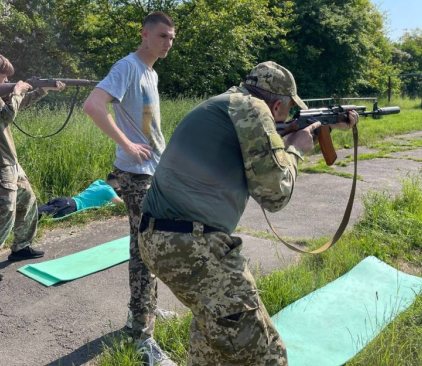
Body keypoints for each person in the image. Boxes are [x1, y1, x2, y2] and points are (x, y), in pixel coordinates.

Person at [138, 61, 359, 365]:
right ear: (278, 103)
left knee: (212, 348)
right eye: (285, 112)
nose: (286, 118)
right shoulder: (253, 109)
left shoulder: (225, 104)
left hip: (161, 241)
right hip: (194, 248)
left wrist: (328, 127)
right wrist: (296, 150)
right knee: (267, 356)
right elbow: (275, 194)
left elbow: (263, 158)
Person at [83, 11, 176, 365]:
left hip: (152, 171)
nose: (168, 43)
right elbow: (93, 106)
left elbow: (148, 123)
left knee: (150, 247)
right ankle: (141, 336)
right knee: (144, 253)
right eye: (162, 36)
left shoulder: (150, 73)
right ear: (145, 35)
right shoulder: (128, 67)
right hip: (136, 177)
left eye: (171, 38)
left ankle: (145, 312)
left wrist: (157, 152)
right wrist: (129, 144)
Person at [0, 52, 65, 285]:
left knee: (28, 200)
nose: (5, 83)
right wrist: (17, 91)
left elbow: (13, 108)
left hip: (8, 159)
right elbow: (6, 113)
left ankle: (21, 246)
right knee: (5, 213)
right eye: (2, 79)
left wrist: (41, 90)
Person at [0, 174, 124, 232]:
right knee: (32, 217)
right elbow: (120, 205)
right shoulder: (109, 190)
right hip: (70, 206)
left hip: (65, 200)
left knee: (32, 212)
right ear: (115, 183)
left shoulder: (98, 183)